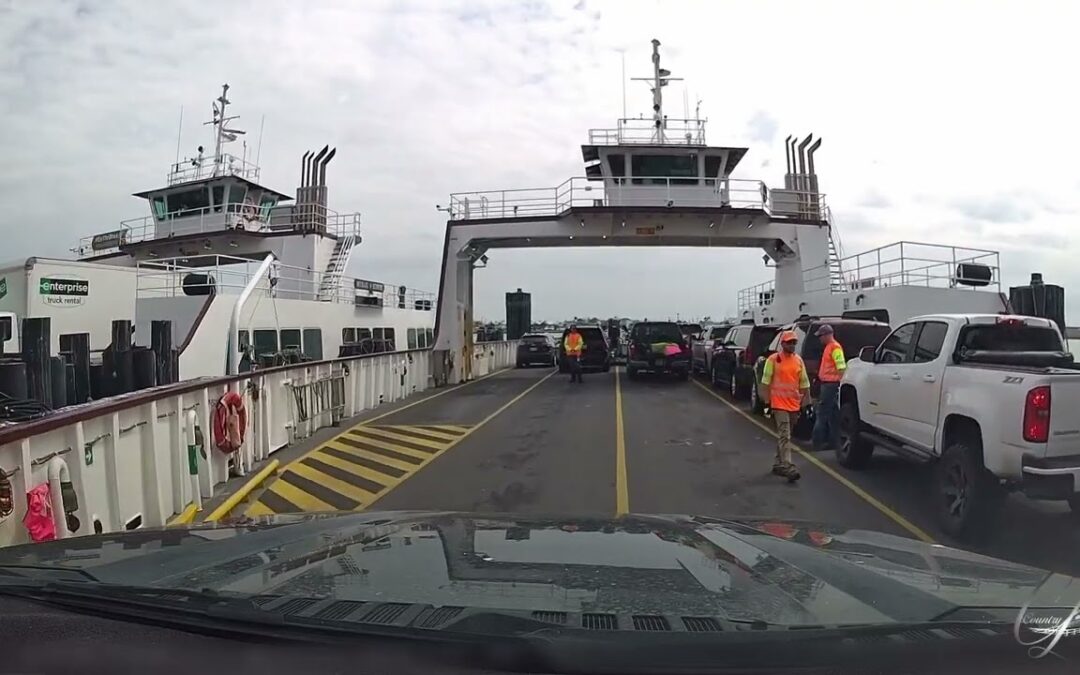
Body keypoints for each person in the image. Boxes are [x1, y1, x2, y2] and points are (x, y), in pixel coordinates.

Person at [759, 331, 809, 482]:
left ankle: (778, 463)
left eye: (794, 342)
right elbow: (765, 384)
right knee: (785, 435)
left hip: (794, 405)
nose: (792, 345)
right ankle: (788, 466)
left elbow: (804, 384)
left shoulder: (798, 361)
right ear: (783, 344)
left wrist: (806, 404)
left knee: (785, 436)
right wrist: (767, 404)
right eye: (789, 342)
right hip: (778, 404)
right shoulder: (773, 360)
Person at [812, 324, 846, 452]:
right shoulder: (829, 347)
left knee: (822, 413)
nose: (819, 338)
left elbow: (841, 367)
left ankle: (817, 443)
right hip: (827, 384)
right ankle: (833, 442)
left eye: (820, 336)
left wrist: (841, 384)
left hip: (831, 385)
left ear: (827, 335)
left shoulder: (835, 348)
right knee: (833, 415)